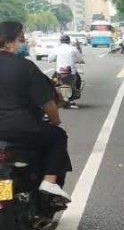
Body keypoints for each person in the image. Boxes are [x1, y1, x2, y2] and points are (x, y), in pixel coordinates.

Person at [0, 20, 72, 201]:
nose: (22, 44)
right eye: (20, 39)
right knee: (58, 136)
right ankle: (48, 181)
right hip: (22, 128)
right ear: (8, 42)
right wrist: (55, 122)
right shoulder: (24, 66)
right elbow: (48, 102)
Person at [53, 34, 83, 105]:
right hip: (71, 72)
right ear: (69, 41)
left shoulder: (56, 49)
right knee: (78, 80)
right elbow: (80, 59)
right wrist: (80, 61)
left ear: (61, 41)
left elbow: (50, 59)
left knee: (53, 82)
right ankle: (73, 96)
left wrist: (54, 59)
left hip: (59, 71)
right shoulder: (73, 49)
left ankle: (55, 95)